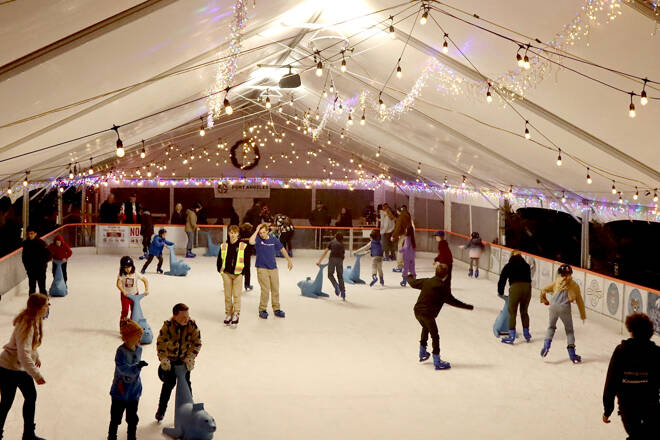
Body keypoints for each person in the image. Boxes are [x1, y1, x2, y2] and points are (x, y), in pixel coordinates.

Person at [602, 313, 659, 439]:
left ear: (631, 331)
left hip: (628, 407)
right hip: (651, 406)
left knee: (637, 435)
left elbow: (611, 383)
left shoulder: (621, 351)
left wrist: (607, 410)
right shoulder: (656, 353)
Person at [0, 294, 49, 440]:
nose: (48, 307)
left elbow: (29, 346)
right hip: (9, 368)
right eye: (47, 305)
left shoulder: (34, 320)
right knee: (8, 402)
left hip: (17, 367)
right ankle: (28, 435)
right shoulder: (27, 325)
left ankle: (28, 434)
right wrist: (36, 374)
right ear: (39, 308)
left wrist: (36, 356)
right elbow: (22, 354)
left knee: (28, 397)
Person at [408, 264, 474, 370]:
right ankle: (437, 361)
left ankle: (422, 352)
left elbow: (412, 283)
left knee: (426, 328)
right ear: (446, 275)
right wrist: (468, 306)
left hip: (417, 311)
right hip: (427, 314)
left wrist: (409, 276)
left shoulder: (427, 281)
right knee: (435, 336)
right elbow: (453, 301)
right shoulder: (443, 287)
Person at [155, 303, 202, 422]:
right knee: (167, 386)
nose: (186, 319)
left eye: (187, 316)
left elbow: (197, 343)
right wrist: (164, 359)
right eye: (182, 317)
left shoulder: (192, 325)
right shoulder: (167, 326)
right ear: (175, 316)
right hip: (171, 363)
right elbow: (161, 344)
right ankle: (161, 410)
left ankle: (190, 410)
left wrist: (190, 357)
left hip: (184, 363)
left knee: (187, 387)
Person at [108, 320, 148, 440]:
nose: (140, 338)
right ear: (128, 337)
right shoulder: (121, 352)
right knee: (115, 417)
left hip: (134, 392)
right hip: (119, 392)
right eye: (137, 335)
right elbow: (122, 368)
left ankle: (132, 436)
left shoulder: (139, 349)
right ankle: (112, 436)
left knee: (132, 418)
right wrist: (137, 367)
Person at [539, 264, 586, 363]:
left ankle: (546, 345)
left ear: (560, 273)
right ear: (570, 274)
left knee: (551, 327)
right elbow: (580, 302)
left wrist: (544, 300)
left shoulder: (557, 281)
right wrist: (583, 315)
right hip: (564, 308)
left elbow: (543, 290)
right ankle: (572, 353)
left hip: (553, 306)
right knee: (569, 331)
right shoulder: (574, 285)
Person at [249, 223, 293, 319]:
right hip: (262, 268)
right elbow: (251, 241)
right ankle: (262, 309)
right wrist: (256, 230)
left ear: (268, 231)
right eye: (260, 233)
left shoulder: (273, 239)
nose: (262, 234)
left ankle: (276, 309)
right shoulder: (258, 239)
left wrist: (289, 261)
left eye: (264, 232)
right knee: (265, 290)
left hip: (273, 268)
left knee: (275, 289)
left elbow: (282, 249)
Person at [497, 251, 532, 344]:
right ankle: (527, 333)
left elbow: (502, 279)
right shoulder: (527, 265)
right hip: (527, 288)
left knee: (512, 312)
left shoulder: (509, 265)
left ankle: (511, 335)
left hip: (515, 287)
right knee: (524, 312)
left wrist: (500, 292)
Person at [217, 225, 247, 327]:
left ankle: (236, 313)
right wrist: (221, 271)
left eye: (235, 232)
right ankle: (228, 313)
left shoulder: (243, 245)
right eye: (231, 232)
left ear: (238, 234)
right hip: (226, 274)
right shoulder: (224, 246)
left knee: (237, 295)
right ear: (228, 233)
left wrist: (243, 273)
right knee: (228, 295)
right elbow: (219, 260)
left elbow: (246, 261)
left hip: (238, 274)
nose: (233, 234)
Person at [116, 256, 149, 328]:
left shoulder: (136, 273)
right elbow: (118, 284)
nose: (127, 269)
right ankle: (123, 326)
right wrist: (123, 291)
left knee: (134, 311)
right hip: (125, 296)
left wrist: (146, 289)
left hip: (135, 295)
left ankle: (131, 325)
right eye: (125, 268)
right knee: (125, 310)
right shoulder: (122, 274)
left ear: (132, 266)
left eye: (129, 267)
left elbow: (145, 280)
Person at [21, 226, 51, 295]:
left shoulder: (41, 243)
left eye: (31, 233)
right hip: (31, 270)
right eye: (28, 234)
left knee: (42, 288)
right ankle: (32, 304)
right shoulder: (25, 243)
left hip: (41, 269)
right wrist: (27, 268)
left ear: (35, 234)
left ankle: (44, 303)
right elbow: (24, 257)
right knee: (32, 288)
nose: (30, 235)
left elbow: (49, 254)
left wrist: (43, 263)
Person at [317, 232, 346, 299]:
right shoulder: (342, 244)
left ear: (335, 237)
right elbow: (343, 254)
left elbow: (325, 252)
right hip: (340, 260)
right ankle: (343, 292)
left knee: (330, 274)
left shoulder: (332, 242)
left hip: (332, 259)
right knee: (340, 276)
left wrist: (319, 261)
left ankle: (336, 285)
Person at [391, 205, 411, 272]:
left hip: (404, 236)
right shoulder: (408, 215)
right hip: (410, 235)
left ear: (398, 211)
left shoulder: (401, 217)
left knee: (400, 250)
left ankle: (400, 267)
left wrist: (393, 236)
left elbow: (398, 227)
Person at [239, 223, 254, 291]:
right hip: (247, 255)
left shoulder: (240, 234)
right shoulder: (251, 234)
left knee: (239, 269)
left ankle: (236, 284)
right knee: (247, 270)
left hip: (240, 254)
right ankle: (247, 284)